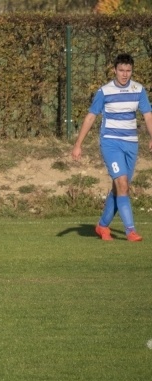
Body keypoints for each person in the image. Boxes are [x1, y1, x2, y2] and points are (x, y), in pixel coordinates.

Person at [71, 53, 152, 242]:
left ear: (132, 71)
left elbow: (148, 115)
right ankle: (130, 231)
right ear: (115, 70)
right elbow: (91, 116)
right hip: (111, 143)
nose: (125, 74)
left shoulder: (138, 90)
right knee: (122, 184)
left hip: (131, 143)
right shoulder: (104, 91)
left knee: (120, 188)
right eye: (121, 70)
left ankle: (102, 225)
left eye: (128, 71)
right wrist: (78, 144)